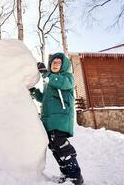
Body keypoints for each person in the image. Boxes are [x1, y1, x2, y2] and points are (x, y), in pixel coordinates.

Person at [29, 53, 83, 185]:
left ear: (63, 65)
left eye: (59, 62)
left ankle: (76, 176)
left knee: (61, 144)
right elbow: (44, 99)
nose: (55, 65)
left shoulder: (67, 77)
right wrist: (34, 91)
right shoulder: (49, 81)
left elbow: (63, 84)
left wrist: (46, 74)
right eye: (53, 62)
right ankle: (65, 173)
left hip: (61, 118)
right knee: (54, 147)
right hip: (49, 120)